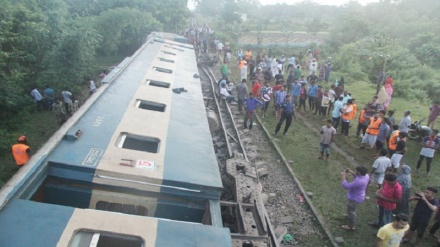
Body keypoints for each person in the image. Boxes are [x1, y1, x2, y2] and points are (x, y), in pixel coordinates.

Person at [341, 165, 370, 230]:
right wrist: (351, 172)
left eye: (356, 171)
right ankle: (349, 215)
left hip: (354, 198)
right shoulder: (366, 176)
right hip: (359, 196)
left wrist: (343, 177)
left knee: (351, 211)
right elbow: (357, 176)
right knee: (351, 209)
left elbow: (346, 186)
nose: (355, 172)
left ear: (359, 172)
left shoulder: (359, 181)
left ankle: (351, 226)